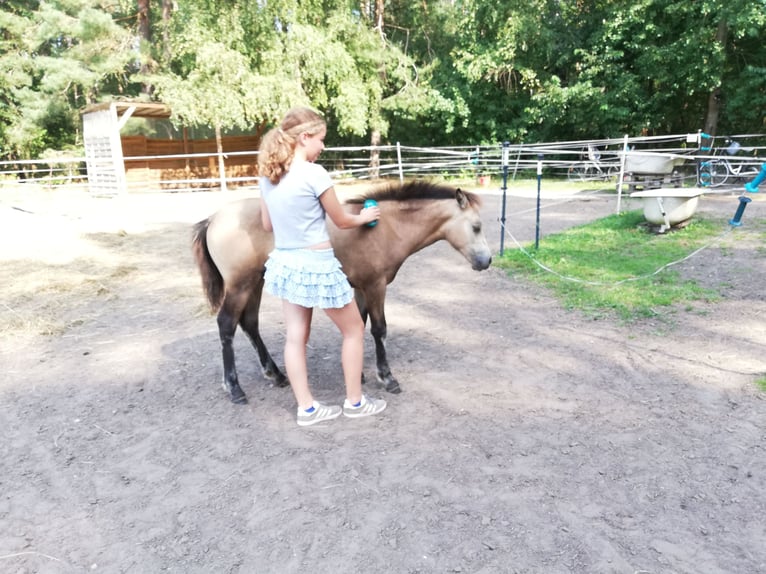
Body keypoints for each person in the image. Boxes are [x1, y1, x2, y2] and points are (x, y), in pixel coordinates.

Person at [257, 107, 387, 427]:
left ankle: (307, 409)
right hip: (316, 264)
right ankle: (355, 402)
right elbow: (341, 221)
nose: (323, 147)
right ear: (304, 138)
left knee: (295, 336)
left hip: (286, 262)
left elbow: (266, 224)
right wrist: (365, 218)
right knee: (354, 329)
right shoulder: (314, 174)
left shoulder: (268, 175)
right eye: (320, 140)